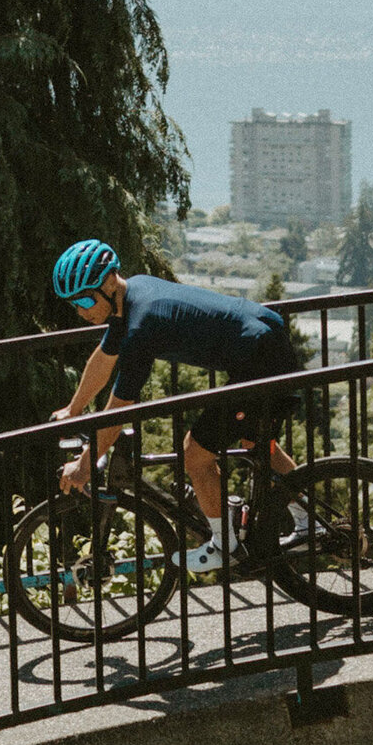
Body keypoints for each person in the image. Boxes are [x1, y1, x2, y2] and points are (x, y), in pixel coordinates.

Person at [50, 238, 308, 572]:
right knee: (257, 446)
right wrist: (73, 409)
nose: (82, 311)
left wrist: (85, 466)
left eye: (85, 299)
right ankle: (309, 520)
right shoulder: (130, 295)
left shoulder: (142, 325)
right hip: (262, 343)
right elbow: (103, 358)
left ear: (111, 282)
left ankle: (224, 546)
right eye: (75, 304)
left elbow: (118, 410)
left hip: (259, 359)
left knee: (195, 454)